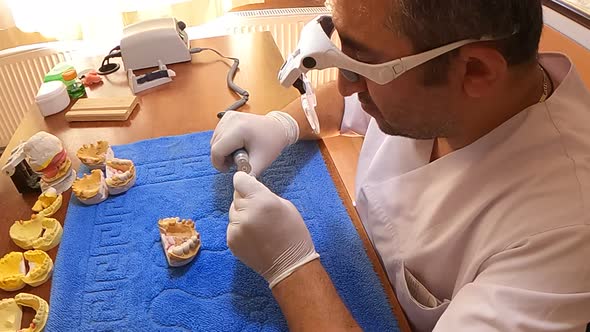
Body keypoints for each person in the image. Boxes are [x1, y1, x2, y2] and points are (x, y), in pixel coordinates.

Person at [210, 0, 590, 330]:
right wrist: (282, 124)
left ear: (476, 71)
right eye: (345, 56)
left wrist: (291, 268)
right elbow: (345, 103)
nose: (345, 85)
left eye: (363, 68)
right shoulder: (432, 83)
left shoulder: (564, 237)